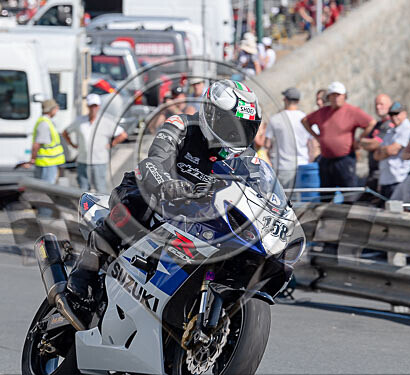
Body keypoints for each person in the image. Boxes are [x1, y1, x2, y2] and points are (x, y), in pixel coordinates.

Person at [65, 80, 262, 312]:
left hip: (198, 215)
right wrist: (167, 184)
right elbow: (154, 161)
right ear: (211, 115)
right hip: (156, 195)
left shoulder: (247, 158)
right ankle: (85, 270)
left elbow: (259, 191)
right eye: (231, 126)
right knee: (141, 199)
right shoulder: (182, 125)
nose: (236, 134)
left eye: (245, 129)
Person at [301, 81, 374, 189]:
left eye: (338, 95)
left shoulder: (352, 111)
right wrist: (317, 136)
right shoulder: (323, 112)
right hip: (326, 159)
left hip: (345, 159)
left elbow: (371, 123)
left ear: (344, 96)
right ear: (328, 97)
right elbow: (305, 121)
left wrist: (359, 139)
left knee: (348, 192)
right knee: (326, 192)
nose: (336, 98)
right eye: (333, 95)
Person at [62, 93, 128, 193]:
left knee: (100, 188)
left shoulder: (105, 121)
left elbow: (123, 134)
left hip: (99, 161)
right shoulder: (80, 121)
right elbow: (65, 132)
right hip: (83, 160)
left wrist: (111, 144)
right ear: (87, 106)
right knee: (83, 188)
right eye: (91, 106)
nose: (93, 109)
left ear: (99, 107)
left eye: (95, 106)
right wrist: (72, 144)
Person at [264, 87, 311, 192]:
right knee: (302, 200)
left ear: (285, 99)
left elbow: (267, 144)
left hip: (282, 167)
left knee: (284, 198)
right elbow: (311, 144)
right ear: (298, 101)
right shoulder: (305, 118)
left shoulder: (275, 119)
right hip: (303, 165)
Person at [374, 102, 410, 199]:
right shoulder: (390, 131)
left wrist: (383, 150)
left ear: (404, 113)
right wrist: (385, 150)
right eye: (391, 114)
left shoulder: (408, 129)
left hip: (399, 179)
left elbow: (392, 151)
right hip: (386, 179)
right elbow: (376, 155)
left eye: (396, 114)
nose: (394, 117)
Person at [25, 99, 65, 186]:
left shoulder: (47, 121)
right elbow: (37, 144)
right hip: (47, 163)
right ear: (51, 109)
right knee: (47, 188)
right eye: (56, 108)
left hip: (49, 162)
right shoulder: (44, 123)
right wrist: (32, 159)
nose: (57, 110)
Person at [359, 93, 393, 195]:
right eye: (376, 104)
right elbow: (363, 142)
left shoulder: (390, 124)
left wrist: (364, 142)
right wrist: (365, 142)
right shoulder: (377, 124)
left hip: (383, 172)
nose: (378, 107)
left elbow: (374, 144)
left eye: (381, 104)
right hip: (372, 170)